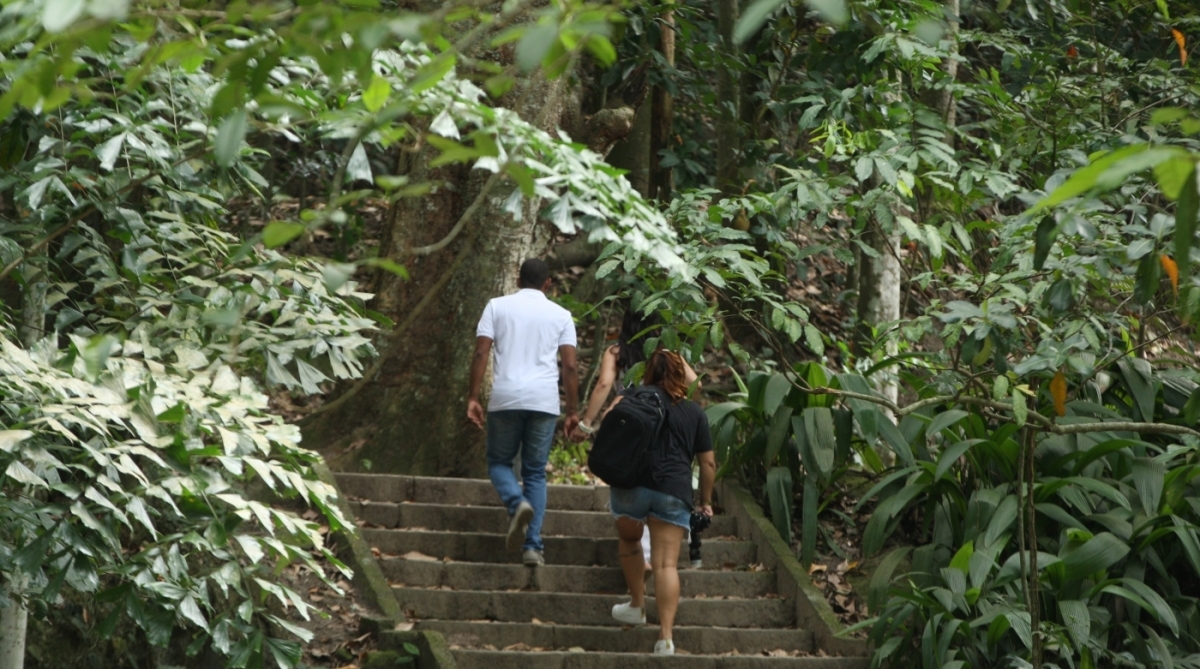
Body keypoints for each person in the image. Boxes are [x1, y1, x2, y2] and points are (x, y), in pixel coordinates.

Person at [466, 258, 580, 567]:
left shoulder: (496, 307)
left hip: (505, 399)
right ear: (548, 284)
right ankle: (532, 547)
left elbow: (481, 351)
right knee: (534, 472)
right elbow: (569, 365)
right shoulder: (561, 315)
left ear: (518, 280)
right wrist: (572, 412)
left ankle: (516, 504)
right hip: (544, 402)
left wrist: (473, 396)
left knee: (500, 462)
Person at [606, 349, 716, 656]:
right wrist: (705, 502)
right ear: (682, 374)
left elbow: (609, 430)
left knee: (629, 541)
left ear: (646, 372)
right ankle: (665, 638)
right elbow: (708, 465)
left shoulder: (632, 399)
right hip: (672, 490)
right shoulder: (694, 412)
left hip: (631, 487)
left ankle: (637, 605)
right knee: (666, 564)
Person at [572, 308, 701, 570]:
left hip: (627, 426)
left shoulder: (616, 352)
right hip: (663, 424)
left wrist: (587, 424)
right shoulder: (666, 351)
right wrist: (683, 405)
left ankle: (641, 556)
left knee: (631, 478)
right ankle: (651, 553)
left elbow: (604, 384)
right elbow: (695, 382)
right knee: (656, 479)